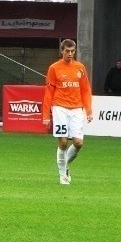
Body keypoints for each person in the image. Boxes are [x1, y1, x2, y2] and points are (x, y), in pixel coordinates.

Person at [42, 38, 93, 186]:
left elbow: (85, 90)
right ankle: (63, 175)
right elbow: (49, 92)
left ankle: (65, 166)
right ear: (62, 51)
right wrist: (46, 115)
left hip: (77, 108)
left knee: (78, 143)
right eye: (67, 51)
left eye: (72, 51)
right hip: (60, 108)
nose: (70, 53)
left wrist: (88, 110)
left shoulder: (80, 68)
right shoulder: (54, 68)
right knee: (63, 142)